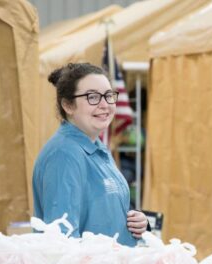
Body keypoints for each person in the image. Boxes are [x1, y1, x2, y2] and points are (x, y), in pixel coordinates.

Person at [32, 63, 148, 246]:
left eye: (109, 96)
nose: (104, 105)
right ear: (68, 105)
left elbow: (101, 210)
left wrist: (135, 221)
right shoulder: (64, 155)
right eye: (92, 97)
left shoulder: (97, 147)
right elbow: (62, 241)